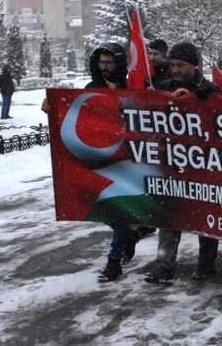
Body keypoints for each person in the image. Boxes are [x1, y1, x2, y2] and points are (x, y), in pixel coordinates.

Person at [41, 43, 140, 282]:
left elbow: (142, 112)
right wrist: (52, 109)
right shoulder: (90, 89)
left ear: (119, 65)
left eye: (110, 63)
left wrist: (121, 95)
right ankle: (128, 237)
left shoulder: (131, 87)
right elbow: (78, 116)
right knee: (103, 208)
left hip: (126, 159)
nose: (105, 67)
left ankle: (114, 261)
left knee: (119, 209)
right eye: (101, 63)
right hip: (98, 158)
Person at [143, 41, 222, 284]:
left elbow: (221, 115)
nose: (175, 69)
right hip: (173, 162)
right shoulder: (164, 88)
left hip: (203, 164)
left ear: (194, 65)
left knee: (205, 215)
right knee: (170, 214)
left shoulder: (210, 88)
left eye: (181, 65)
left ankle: (206, 263)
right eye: (173, 65)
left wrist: (197, 98)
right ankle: (165, 266)